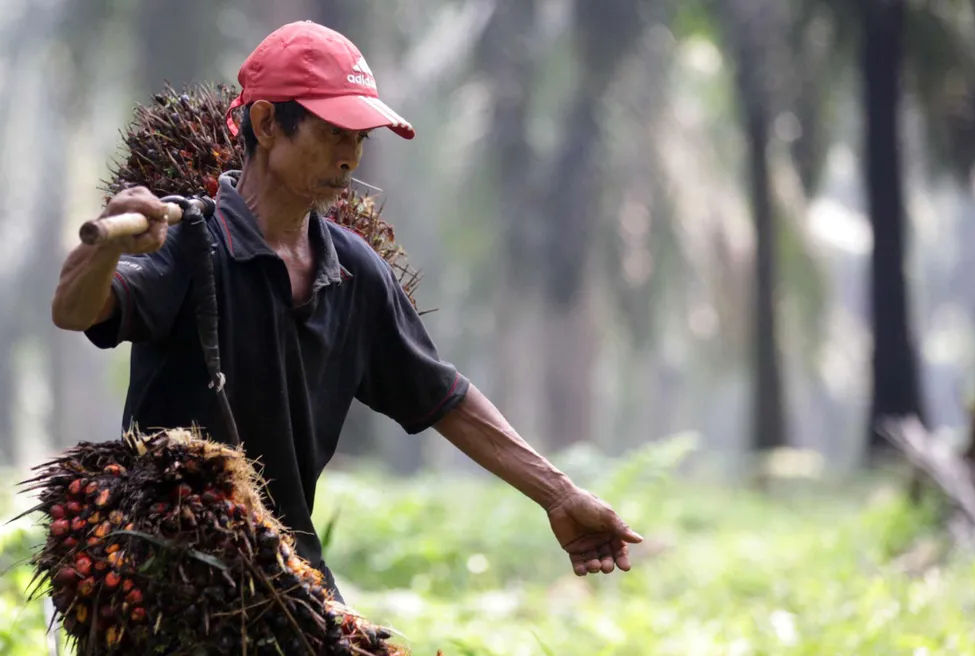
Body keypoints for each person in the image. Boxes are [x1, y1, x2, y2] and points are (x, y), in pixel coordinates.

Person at [50, 20, 642, 600]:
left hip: (281, 573)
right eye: (334, 133)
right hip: (162, 570)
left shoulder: (356, 273)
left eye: (359, 139)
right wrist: (104, 248)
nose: (351, 158)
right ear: (266, 122)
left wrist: (559, 495)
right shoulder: (185, 245)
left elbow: (445, 398)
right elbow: (76, 310)